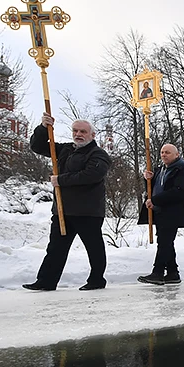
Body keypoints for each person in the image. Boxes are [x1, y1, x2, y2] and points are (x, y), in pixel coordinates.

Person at [23, 113, 112, 291]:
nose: (78, 134)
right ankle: (46, 281)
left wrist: (61, 180)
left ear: (92, 135)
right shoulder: (65, 150)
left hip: (87, 211)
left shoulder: (99, 155)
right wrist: (43, 127)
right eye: (75, 131)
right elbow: (38, 146)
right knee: (56, 248)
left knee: (93, 248)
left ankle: (96, 280)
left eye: (83, 132)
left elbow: (92, 175)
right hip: (62, 211)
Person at [136, 144, 184, 285]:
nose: (163, 155)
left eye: (167, 152)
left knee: (164, 242)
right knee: (166, 241)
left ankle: (158, 272)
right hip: (160, 210)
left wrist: (155, 200)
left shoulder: (181, 170)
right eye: (162, 152)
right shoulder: (161, 170)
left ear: (176, 154)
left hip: (173, 211)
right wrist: (147, 179)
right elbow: (155, 188)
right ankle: (173, 272)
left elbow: (179, 191)